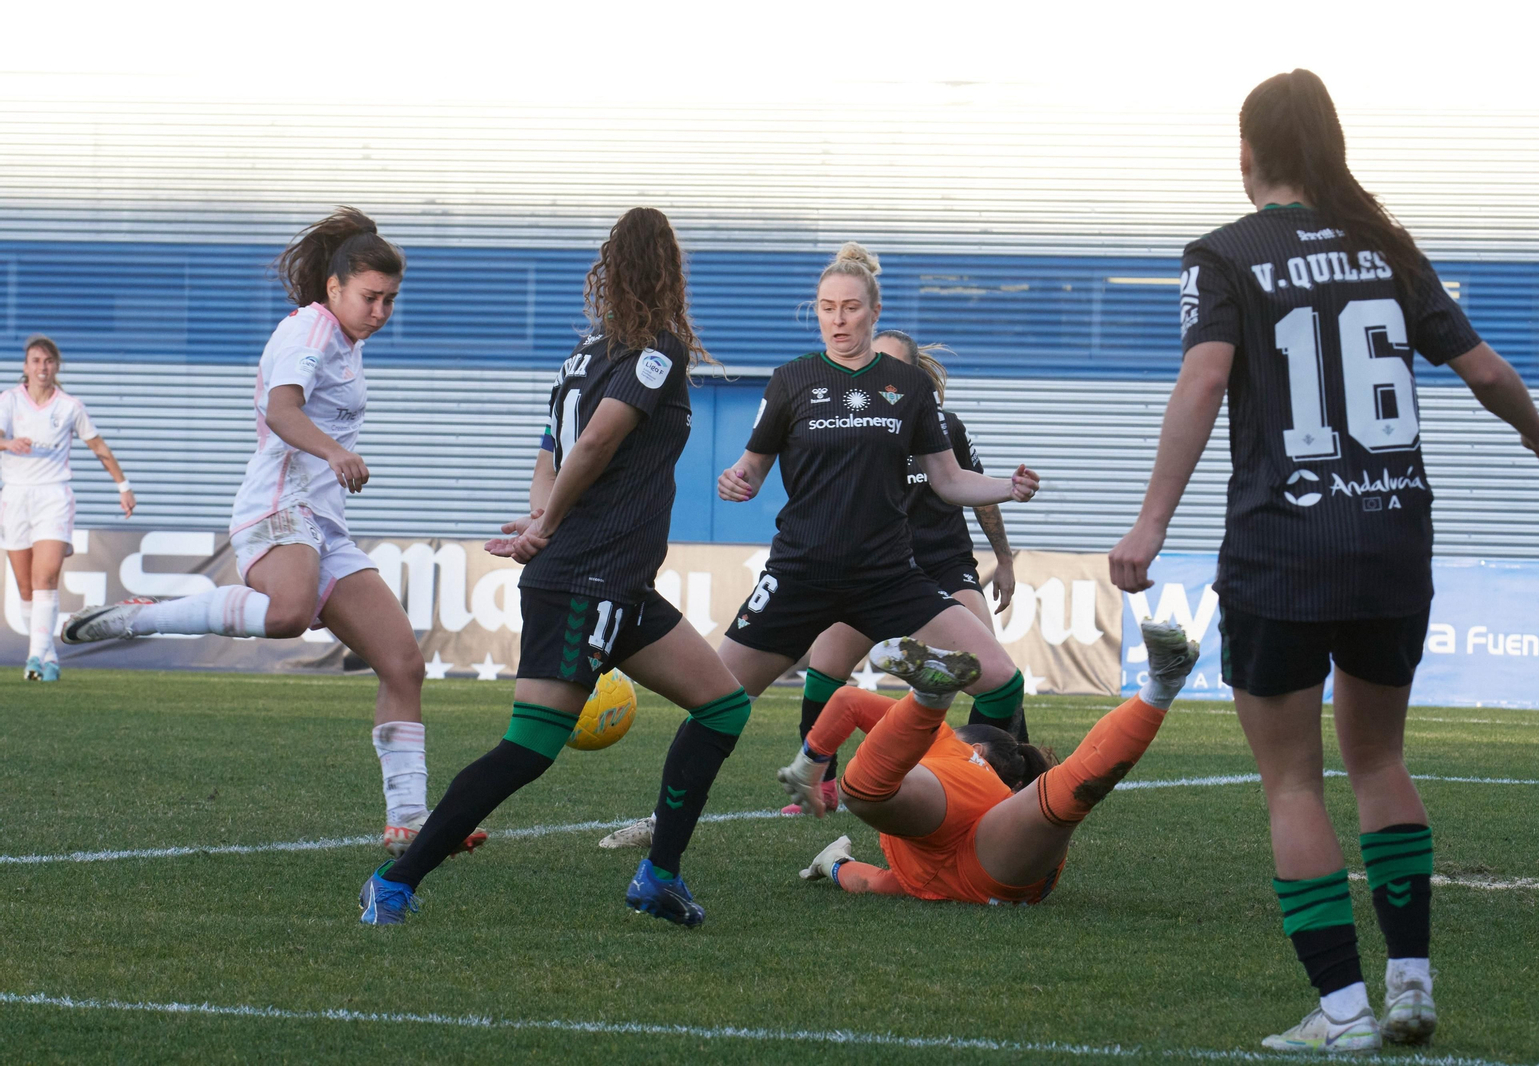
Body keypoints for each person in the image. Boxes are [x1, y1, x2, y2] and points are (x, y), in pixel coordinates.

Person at [1108, 70, 1539, 1053]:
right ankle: (1410, 982)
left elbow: (1202, 378)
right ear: (1329, 148)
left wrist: (1147, 526)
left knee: (1292, 783)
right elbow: (1483, 368)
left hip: (1283, 545)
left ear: (1246, 157)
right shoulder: (1385, 248)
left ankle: (1342, 1010)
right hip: (1392, 534)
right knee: (1378, 760)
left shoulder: (1223, 255)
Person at [357, 207, 752, 929]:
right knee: (528, 749)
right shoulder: (655, 349)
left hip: (616, 583)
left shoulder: (583, 356)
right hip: (588, 581)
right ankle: (394, 881)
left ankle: (658, 875)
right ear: (668, 271)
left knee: (724, 707)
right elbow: (595, 444)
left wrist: (544, 520)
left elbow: (550, 453)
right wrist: (546, 525)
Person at [61, 208, 480, 858]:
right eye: (370, 297)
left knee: (403, 663)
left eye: (390, 299)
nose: (380, 310)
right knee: (287, 615)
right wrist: (334, 453)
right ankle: (144, 618)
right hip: (276, 505)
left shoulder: (346, 341)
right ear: (335, 287)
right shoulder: (309, 330)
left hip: (323, 525)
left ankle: (408, 821)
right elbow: (281, 409)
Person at [720, 244, 1038, 733]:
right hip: (837, 567)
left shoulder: (921, 404)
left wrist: (1007, 500)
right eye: (828, 308)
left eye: (850, 308)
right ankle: (814, 777)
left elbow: (955, 482)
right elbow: (755, 467)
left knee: (992, 672)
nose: (839, 320)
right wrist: (739, 479)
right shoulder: (802, 387)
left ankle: (998, 772)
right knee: (792, 677)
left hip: (922, 564)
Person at [780, 622, 1196, 907]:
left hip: (987, 859)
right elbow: (873, 881)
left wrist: (810, 766)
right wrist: (833, 863)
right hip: (988, 846)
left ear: (976, 747)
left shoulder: (949, 746)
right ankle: (1162, 683)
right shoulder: (962, 765)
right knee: (1070, 788)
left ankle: (1162, 684)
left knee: (1072, 789)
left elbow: (848, 701)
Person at [786, 328, 1022, 817]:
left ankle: (995, 786)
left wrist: (1004, 559)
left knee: (996, 677)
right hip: (878, 570)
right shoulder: (848, 427)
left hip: (945, 566)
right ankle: (822, 788)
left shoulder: (946, 427)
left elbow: (975, 490)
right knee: (823, 671)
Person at [1, 334, 136, 681]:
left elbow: (98, 446)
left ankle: (33, 659)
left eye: (48, 361)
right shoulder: (9, 401)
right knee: (25, 585)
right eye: (35, 361)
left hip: (53, 496)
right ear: (26, 367)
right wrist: (8, 442)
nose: (42, 368)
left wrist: (123, 487)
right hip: (15, 496)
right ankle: (49, 658)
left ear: (56, 366)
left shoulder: (69, 407)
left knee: (45, 576)